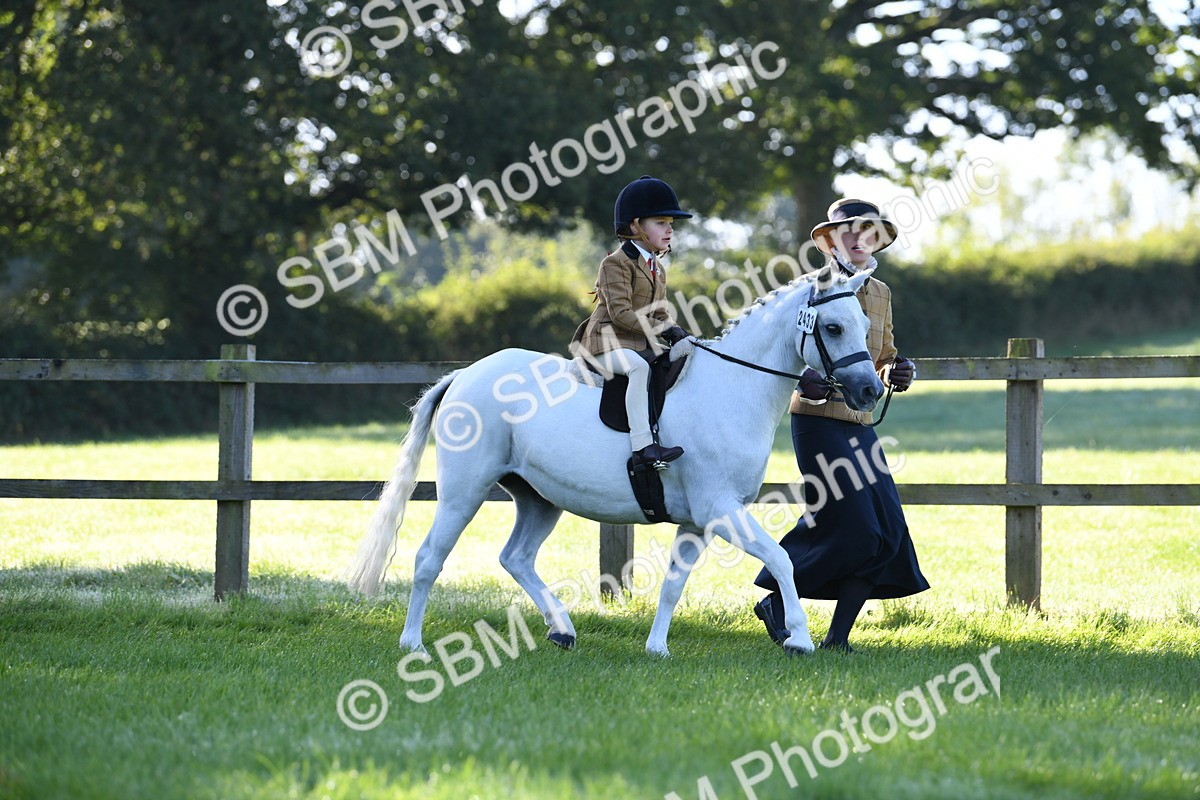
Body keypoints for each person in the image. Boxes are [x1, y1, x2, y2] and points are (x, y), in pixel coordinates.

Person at [752, 198, 929, 652]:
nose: (857, 239)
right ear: (830, 240)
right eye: (847, 232)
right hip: (816, 423)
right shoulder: (808, 290)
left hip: (860, 422)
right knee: (855, 528)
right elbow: (779, 352)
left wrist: (897, 373)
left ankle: (837, 640)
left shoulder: (881, 294)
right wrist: (800, 379)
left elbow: (883, 357)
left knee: (887, 530)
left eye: (867, 232)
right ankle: (777, 599)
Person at [569, 175, 693, 469]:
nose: (669, 229)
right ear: (636, 225)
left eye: (671, 224)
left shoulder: (658, 267)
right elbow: (620, 314)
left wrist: (679, 332)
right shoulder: (614, 263)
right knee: (638, 368)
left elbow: (659, 311)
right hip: (604, 344)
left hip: (634, 343)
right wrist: (663, 331)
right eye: (661, 222)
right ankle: (643, 448)